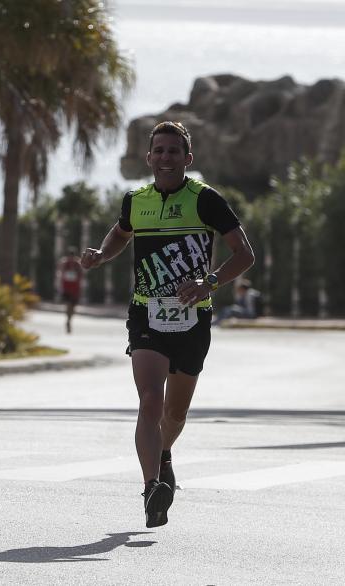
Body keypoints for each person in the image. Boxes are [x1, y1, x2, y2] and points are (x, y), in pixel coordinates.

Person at [79, 121, 254, 528]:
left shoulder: (205, 200)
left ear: (187, 159)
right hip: (146, 314)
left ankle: (163, 453)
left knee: (175, 413)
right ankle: (152, 487)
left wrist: (208, 282)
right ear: (149, 157)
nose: (165, 158)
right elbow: (121, 234)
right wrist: (103, 255)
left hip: (194, 317)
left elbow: (244, 254)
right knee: (149, 401)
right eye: (159, 150)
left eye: (174, 151)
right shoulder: (135, 200)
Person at [56, 246, 83, 333]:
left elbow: (81, 274)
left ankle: (69, 320)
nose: (71, 257)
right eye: (70, 255)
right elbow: (60, 273)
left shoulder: (78, 263)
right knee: (68, 305)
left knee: (73, 307)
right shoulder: (64, 262)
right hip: (66, 287)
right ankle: (68, 320)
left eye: (72, 255)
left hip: (75, 288)